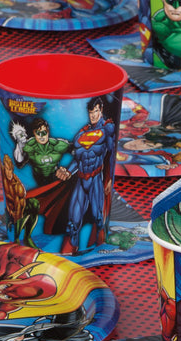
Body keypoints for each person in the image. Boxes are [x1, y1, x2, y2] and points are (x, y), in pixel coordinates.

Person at [60, 97, 116, 254]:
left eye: (96, 111)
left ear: (101, 110)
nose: (93, 115)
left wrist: (108, 178)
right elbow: (78, 159)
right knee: (73, 220)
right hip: (81, 179)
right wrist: (68, 171)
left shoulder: (107, 129)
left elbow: (111, 154)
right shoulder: (81, 133)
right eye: (91, 112)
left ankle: (100, 246)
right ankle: (71, 251)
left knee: (98, 216)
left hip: (96, 178)